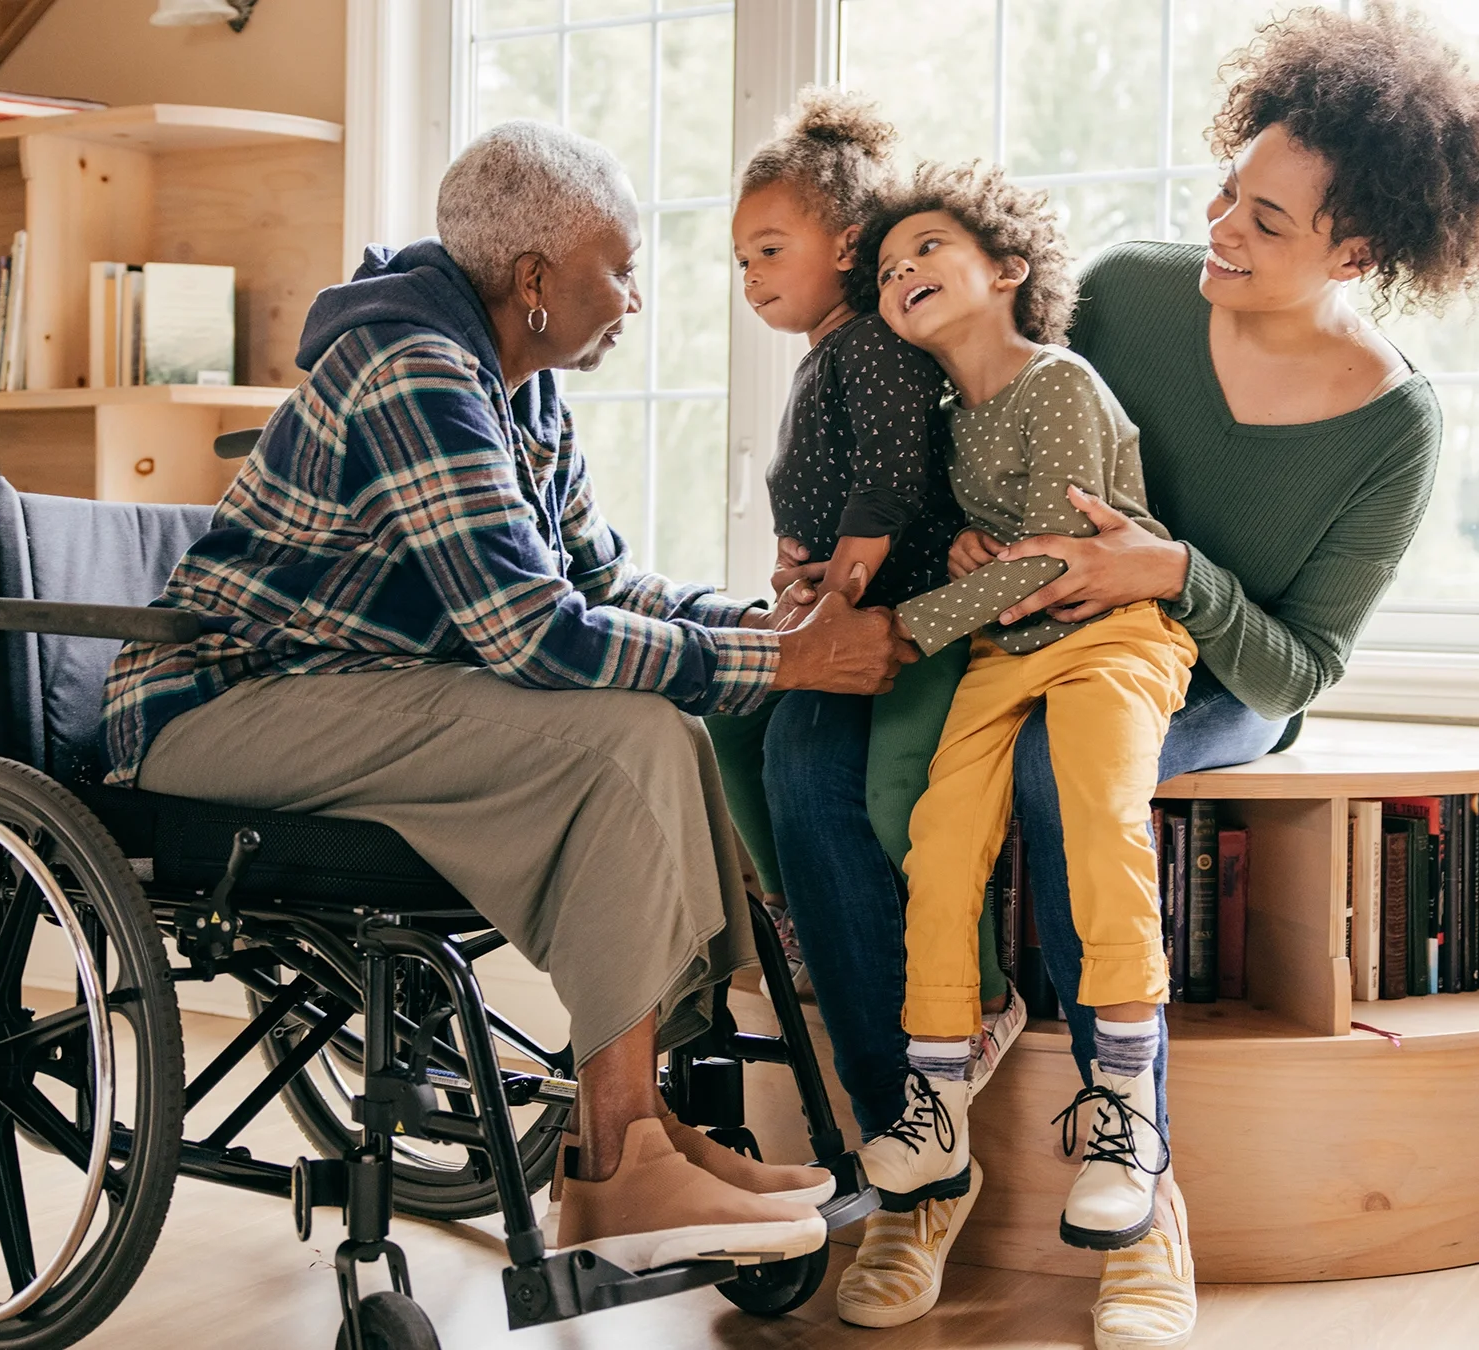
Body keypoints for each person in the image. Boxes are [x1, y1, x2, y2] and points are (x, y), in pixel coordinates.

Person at [769, 6, 1479, 1344]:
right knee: (806, 751)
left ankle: (1141, 1181)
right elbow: (989, 418)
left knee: (1059, 777)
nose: (1222, 229)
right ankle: (922, 1156)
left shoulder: (1391, 424)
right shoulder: (1127, 290)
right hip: (1029, 628)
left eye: (1268, 222)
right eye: (1229, 192)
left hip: (1206, 675)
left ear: (1357, 251)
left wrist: (1172, 571)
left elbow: (1302, 666)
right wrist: (926, 535)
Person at [99, 119, 919, 1274]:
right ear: (533, 280)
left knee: (663, 727)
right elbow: (529, 633)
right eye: (618, 268)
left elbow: (597, 582)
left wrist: (761, 625)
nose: (634, 297)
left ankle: (638, 1142)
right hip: (221, 715)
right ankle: (621, 1157)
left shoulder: (520, 391)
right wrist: (789, 665)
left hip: (358, 697)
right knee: (627, 736)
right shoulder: (412, 368)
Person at [849, 156, 1197, 1259]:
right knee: (940, 837)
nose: (903, 271)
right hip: (1008, 651)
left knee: (1098, 811)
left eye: (929, 250)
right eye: (890, 266)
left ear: (1007, 268)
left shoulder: (1058, 382)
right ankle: (938, 1099)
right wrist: (957, 558)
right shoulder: (947, 421)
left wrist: (910, 624)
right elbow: (999, 560)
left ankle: (1128, 1110)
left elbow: (1054, 561)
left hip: (1112, 637)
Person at [703, 88, 1023, 1100]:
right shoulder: (828, 355)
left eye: (768, 249)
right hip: (843, 599)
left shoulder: (873, 347)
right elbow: (834, 485)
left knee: (865, 786)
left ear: (845, 245)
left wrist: (836, 583)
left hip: (905, 608)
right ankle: (798, 914)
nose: (748, 276)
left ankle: (960, 1004)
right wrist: (798, 567)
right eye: (741, 258)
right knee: (730, 714)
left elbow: (892, 474)